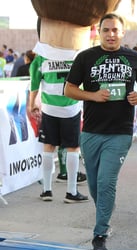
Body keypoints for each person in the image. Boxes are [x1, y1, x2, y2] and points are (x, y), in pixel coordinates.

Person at [64, 13, 137, 250]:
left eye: (115, 30)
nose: (111, 34)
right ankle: (106, 210)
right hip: (91, 131)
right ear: (99, 32)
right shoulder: (85, 57)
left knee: (106, 182)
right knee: (94, 185)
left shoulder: (134, 58)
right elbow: (69, 89)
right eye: (106, 30)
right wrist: (92, 96)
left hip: (120, 132)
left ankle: (100, 234)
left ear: (122, 33)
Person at [29, 37, 89, 204]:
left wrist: (32, 103)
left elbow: (34, 83)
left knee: (48, 147)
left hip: (49, 107)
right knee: (73, 147)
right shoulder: (77, 54)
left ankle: (46, 190)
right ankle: (71, 191)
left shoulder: (42, 56)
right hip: (71, 107)